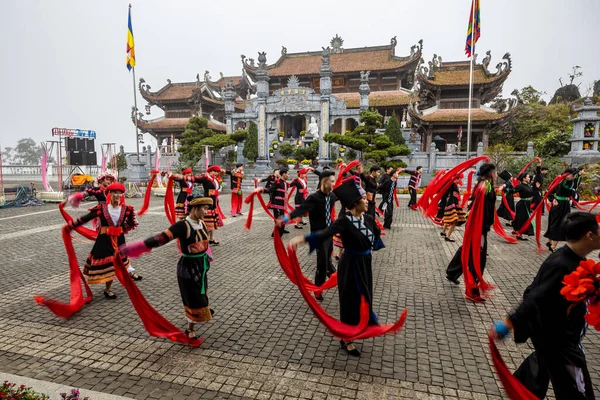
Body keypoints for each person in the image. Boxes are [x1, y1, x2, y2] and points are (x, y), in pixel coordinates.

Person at [492, 212, 599, 399]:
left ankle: (523, 388)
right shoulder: (561, 264)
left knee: (541, 366)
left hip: (555, 338)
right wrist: (509, 322)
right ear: (590, 236)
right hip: (562, 344)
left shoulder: (573, 259)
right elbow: (535, 295)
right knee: (578, 392)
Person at [290, 178, 385, 357]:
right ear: (355, 203)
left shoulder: (370, 219)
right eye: (364, 199)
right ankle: (346, 339)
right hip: (350, 265)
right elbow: (325, 232)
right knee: (349, 300)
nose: (367, 201)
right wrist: (302, 240)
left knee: (365, 296)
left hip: (365, 263)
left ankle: (361, 325)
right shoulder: (344, 221)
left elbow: (376, 238)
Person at [121, 197, 215, 340]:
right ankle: (190, 329)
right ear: (195, 208)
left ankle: (201, 310)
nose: (207, 212)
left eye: (208, 208)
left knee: (201, 294)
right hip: (187, 269)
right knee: (193, 299)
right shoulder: (182, 226)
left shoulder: (201, 223)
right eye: (205, 208)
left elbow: (205, 244)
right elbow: (160, 238)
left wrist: (207, 257)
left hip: (201, 267)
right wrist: (138, 247)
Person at [64, 183, 140, 299]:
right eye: (115, 193)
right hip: (104, 241)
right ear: (110, 194)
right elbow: (86, 218)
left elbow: (130, 224)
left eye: (120, 193)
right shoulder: (102, 208)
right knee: (109, 264)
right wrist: (71, 226)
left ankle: (109, 288)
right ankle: (108, 289)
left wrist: (120, 229)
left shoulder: (126, 210)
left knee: (117, 264)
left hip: (119, 241)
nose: (117, 196)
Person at [281, 170, 337, 300]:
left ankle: (331, 274)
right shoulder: (314, 198)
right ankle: (319, 288)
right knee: (322, 262)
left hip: (329, 233)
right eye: (332, 181)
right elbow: (301, 209)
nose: (334, 183)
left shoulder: (332, 196)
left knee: (327, 258)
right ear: (324, 182)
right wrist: (285, 218)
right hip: (317, 235)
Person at [445, 163, 497, 303]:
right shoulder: (484, 186)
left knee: (468, 251)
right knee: (477, 259)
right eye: (495, 172)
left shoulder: (485, 185)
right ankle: (472, 290)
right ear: (491, 173)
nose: (496, 174)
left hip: (480, 226)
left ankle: (452, 272)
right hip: (478, 227)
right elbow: (477, 205)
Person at [545, 168, 577, 252]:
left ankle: (550, 242)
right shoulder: (562, 182)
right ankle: (553, 246)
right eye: (572, 174)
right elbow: (549, 191)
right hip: (559, 205)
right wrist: (552, 199)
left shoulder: (568, 182)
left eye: (573, 175)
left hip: (565, 204)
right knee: (558, 223)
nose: (573, 176)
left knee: (557, 222)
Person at [193, 165, 225, 245]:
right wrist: (185, 177)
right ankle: (202, 239)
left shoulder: (214, 179)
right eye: (215, 171)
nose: (217, 173)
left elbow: (216, 190)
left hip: (213, 202)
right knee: (206, 223)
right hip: (207, 203)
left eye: (217, 172)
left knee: (212, 223)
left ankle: (211, 239)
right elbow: (196, 179)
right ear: (210, 171)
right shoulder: (205, 178)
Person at [255, 169, 290, 237]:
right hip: (277, 204)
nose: (288, 176)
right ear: (283, 174)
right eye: (287, 174)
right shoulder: (277, 182)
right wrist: (261, 189)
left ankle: (276, 233)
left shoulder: (285, 183)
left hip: (283, 204)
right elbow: (270, 190)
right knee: (278, 219)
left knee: (282, 219)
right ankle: (277, 234)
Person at [506, 172, 534, 240]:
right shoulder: (520, 186)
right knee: (522, 219)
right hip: (522, 204)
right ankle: (519, 234)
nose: (529, 178)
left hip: (527, 204)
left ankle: (516, 230)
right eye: (528, 177)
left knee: (522, 218)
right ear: (524, 179)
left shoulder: (528, 185)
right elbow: (512, 190)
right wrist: (505, 189)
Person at [440, 176, 466, 242]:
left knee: (449, 218)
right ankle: (447, 236)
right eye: (458, 179)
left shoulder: (455, 185)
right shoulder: (451, 184)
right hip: (452, 203)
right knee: (454, 221)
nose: (459, 180)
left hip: (453, 203)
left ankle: (443, 232)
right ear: (455, 179)